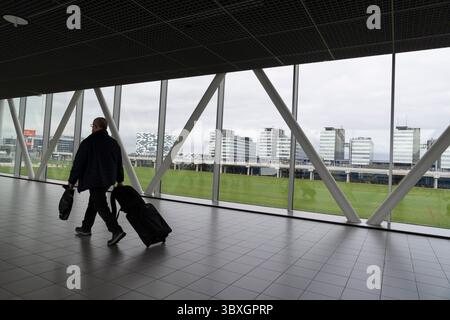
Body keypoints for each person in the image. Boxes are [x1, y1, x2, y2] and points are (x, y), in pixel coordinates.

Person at [67, 117, 126, 246]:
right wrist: (120, 180)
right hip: (108, 180)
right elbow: (119, 164)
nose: (92, 128)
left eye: (93, 126)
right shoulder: (113, 143)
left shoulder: (88, 142)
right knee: (94, 202)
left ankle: (116, 230)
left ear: (96, 126)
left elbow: (78, 163)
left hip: (94, 179)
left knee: (100, 205)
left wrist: (71, 181)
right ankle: (86, 228)